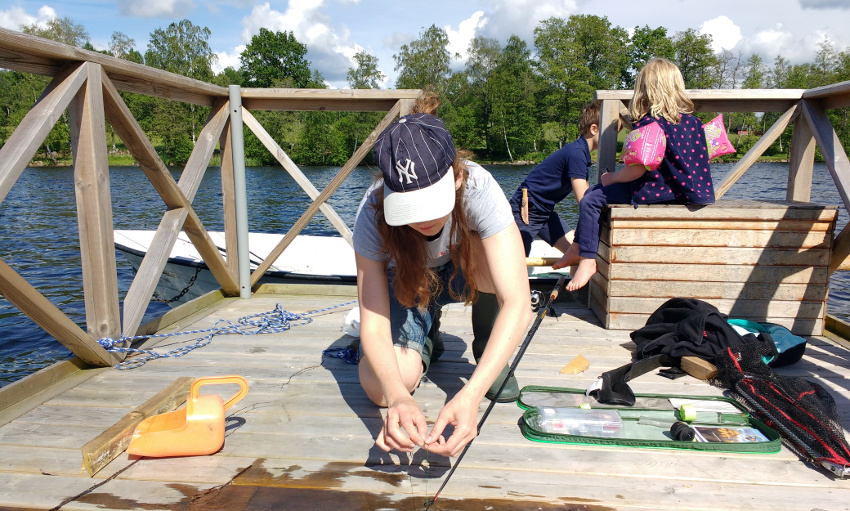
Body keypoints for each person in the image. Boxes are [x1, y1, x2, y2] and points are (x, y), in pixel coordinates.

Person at [352, 94, 533, 458]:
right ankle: (425, 334)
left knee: (493, 253)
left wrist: (471, 395)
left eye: (430, 203)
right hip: (408, 282)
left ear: (457, 176)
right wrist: (399, 396)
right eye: (408, 206)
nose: (422, 220)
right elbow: (371, 323)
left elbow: (518, 302)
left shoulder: (480, 188)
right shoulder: (371, 210)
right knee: (380, 388)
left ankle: (487, 351)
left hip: (467, 272)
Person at [560, 58, 715, 291]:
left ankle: (587, 259)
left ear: (644, 91)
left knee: (591, 198)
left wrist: (612, 178)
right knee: (594, 194)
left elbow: (638, 168)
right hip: (689, 192)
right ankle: (577, 247)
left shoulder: (651, 124)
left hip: (656, 190)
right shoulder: (693, 123)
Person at [509, 101, 600, 269]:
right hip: (527, 210)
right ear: (594, 129)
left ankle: (574, 292)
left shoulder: (582, 153)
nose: (614, 137)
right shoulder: (577, 153)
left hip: (544, 211)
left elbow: (586, 195)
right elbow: (585, 202)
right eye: (612, 132)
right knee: (516, 265)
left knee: (578, 252)